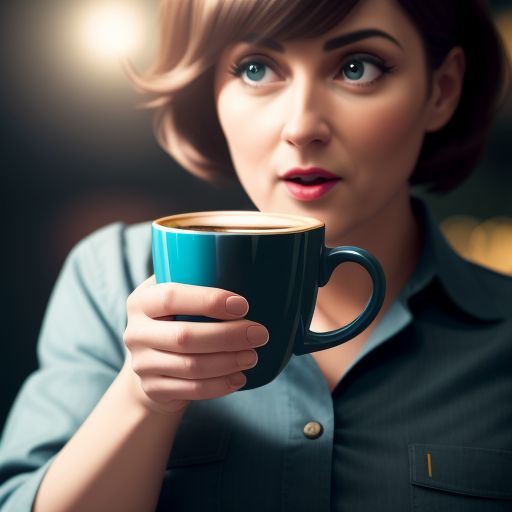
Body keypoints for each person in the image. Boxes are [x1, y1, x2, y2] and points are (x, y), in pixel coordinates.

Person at [0, 0, 510, 510]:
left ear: (440, 91)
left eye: (358, 68)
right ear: (212, 92)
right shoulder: (113, 275)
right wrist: (141, 398)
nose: (301, 126)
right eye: (256, 69)